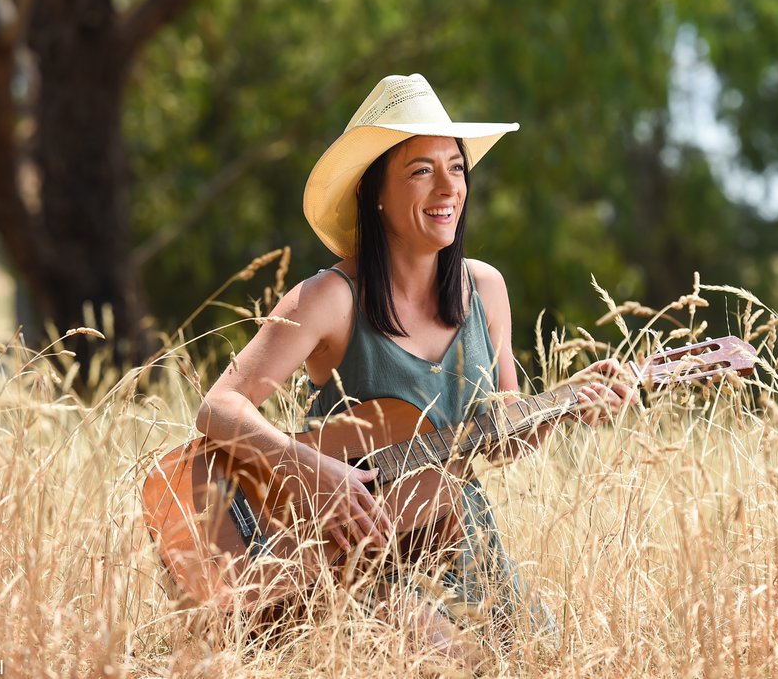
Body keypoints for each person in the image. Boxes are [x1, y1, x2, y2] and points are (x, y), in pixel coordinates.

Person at [195, 73, 634, 660]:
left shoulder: (486, 289)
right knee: (448, 658)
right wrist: (315, 470)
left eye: (455, 166)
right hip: (355, 565)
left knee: (545, 662)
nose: (446, 186)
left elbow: (501, 437)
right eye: (421, 170)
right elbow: (217, 407)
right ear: (376, 191)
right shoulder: (330, 298)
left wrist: (568, 404)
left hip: (462, 544)